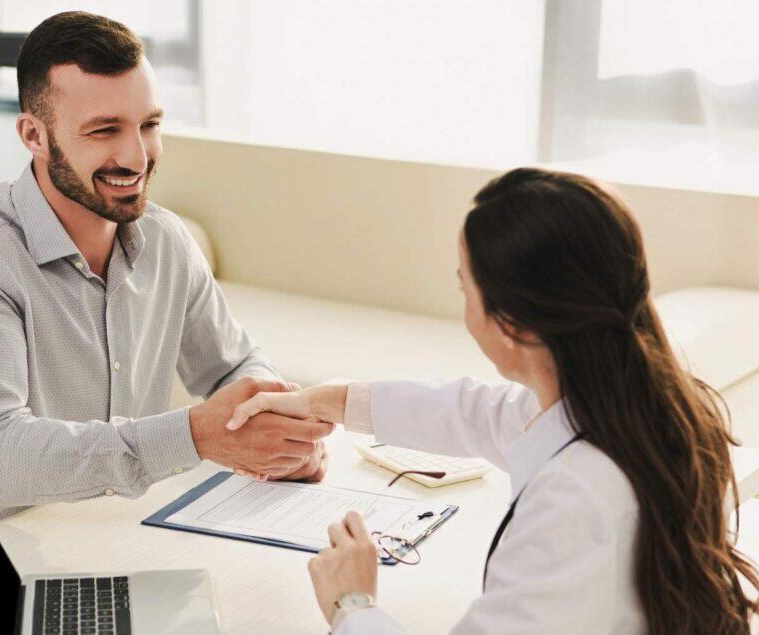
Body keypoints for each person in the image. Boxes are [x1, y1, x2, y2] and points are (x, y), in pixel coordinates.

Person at [227, 168, 759, 633]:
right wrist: (331, 400)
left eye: (466, 290)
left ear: (508, 324)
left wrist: (351, 603)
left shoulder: (573, 499)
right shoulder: (642, 406)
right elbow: (480, 413)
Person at [0, 11, 330, 544]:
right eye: (105, 130)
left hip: (124, 538)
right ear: (35, 134)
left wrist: (277, 429)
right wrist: (192, 435)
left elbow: (233, 367)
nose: (136, 156)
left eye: (148, 125)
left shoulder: (166, 241)